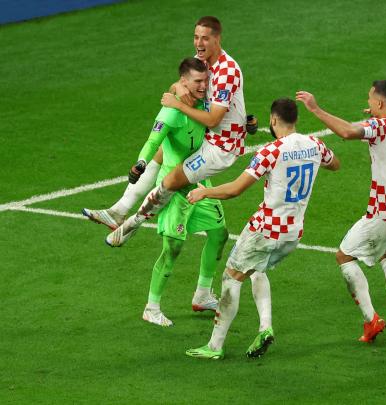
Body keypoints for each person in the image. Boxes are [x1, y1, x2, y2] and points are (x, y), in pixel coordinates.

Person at [185, 98, 340, 359]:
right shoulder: (315, 144)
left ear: (273, 119)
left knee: (231, 277)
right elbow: (335, 164)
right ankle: (265, 328)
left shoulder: (270, 151)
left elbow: (235, 189)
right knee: (257, 270)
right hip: (292, 234)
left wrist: (205, 192)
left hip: (265, 230)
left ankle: (214, 346)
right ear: (296, 120)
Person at [83, 15, 257, 232]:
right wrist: (178, 87)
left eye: (204, 38)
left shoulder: (227, 71)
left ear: (217, 39)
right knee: (162, 151)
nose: (198, 43)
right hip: (206, 133)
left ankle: (130, 227)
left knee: (171, 181)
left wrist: (178, 105)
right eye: (196, 37)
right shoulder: (201, 60)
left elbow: (214, 120)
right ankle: (118, 211)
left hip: (222, 145)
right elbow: (180, 83)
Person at [296, 82, 386, 342]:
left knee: (344, 256)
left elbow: (348, 132)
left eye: (371, 99)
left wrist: (315, 109)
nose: (368, 103)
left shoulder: (380, 127)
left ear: (380, 103)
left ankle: (371, 320)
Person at [108, 58, 229, 325]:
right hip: (174, 187)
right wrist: (141, 163)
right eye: (198, 81)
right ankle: (151, 307)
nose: (204, 86)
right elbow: (153, 141)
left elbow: (224, 110)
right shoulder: (171, 112)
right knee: (173, 247)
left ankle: (202, 294)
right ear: (184, 81)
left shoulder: (206, 102)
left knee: (220, 234)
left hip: (199, 181)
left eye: (206, 80)